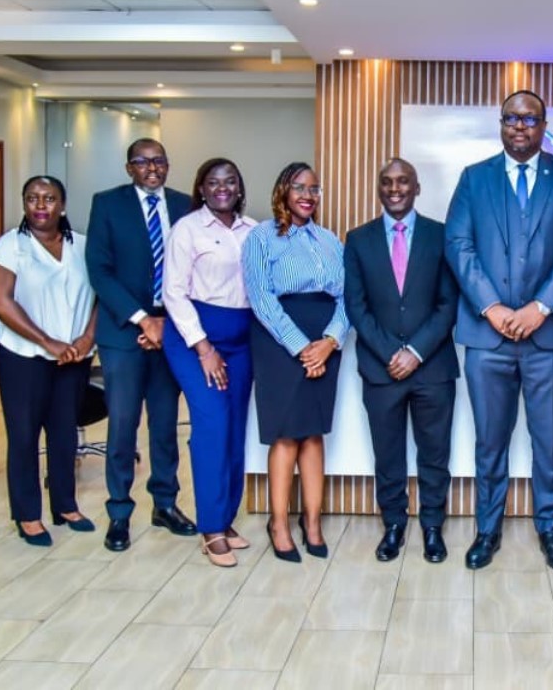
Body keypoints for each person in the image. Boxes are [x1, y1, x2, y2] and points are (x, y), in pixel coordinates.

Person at [444, 89, 553, 572]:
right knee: (490, 440)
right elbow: (458, 243)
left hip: (548, 339)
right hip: (487, 338)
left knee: (549, 439)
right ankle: (487, 530)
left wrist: (542, 307)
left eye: (529, 119)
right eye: (511, 117)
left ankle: (549, 529)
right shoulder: (474, 179)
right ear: (500, 123)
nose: (519, 126)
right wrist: (491, 307)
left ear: (543, 125)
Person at [344, 158, 460, 563]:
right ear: (379, 188)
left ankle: (432, 526)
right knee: (388, 453)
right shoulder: (357, 240)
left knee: (434, 453)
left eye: (403, 182)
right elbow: (356, 307)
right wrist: (390, 352)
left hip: (433, 368)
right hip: (380, 368)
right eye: (387, 182)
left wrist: (414, 352)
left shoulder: (441, 236)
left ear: (417, 187)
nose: (395, 189)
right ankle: (393, 523)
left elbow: (448, 304)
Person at [85, 138, 195, 552]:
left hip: (172, 329)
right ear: (129, 167)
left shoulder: (186, 205)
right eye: (142, 162)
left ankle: (164, 504)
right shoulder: (107, 204)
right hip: (124, 330)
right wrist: (142, 319)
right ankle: (118, 512)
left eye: (160, 161)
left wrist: (166, 322)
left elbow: (192, 268)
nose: (152, 168)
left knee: (165, 424)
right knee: (123, 424)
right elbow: (99, 269)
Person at [242, 162, 348, 562]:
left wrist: (330, 341)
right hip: (278, 342)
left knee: (314, 433)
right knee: (286, 434)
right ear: (283, 190)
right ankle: (279, 523)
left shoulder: (329, 240)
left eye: (315, 189)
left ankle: (313, 521)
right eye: (300, 187)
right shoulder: (261, 237)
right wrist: (301, 347)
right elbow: (261, 298)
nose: (308, 195)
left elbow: (347, 297)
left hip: (325, 339)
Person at [0, 175, 99, 547]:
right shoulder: (9, 247)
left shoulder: (82, 246)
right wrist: (48, 341)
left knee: (65, 431)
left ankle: (65, 505)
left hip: (74, 357)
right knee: (24, 435)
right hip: (24, 356)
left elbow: (101, 296)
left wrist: (85, 340)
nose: (40, 205)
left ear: (62, 205)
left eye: (49, 199)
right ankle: (28, 515)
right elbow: (1, 302)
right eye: (32, 198)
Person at [162, 159, 257, 568]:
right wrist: (204, 348)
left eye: (230, 181)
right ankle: (210, 528)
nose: (222, 188)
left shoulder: (254, 231)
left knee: (235, 429)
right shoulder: (187, 229)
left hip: (242, 336)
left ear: (239, 187)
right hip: (195, 337)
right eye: (213, 182)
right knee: (213, 427)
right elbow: (173, 293)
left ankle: (226, 518)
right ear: (200, 188)